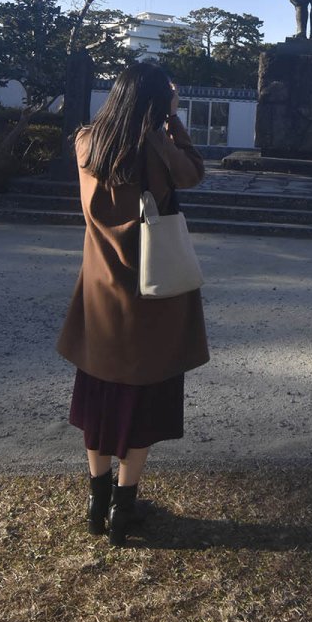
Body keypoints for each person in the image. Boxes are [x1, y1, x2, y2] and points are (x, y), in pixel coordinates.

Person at [56, 61, 209, 545]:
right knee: (142, 399)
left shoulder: (87, 142)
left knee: (99, 394)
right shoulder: (156, 147)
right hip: (151, 295)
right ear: (156, 100)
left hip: (101, 293)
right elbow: (194, 174)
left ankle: (95, 501)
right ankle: (125, 506)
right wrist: (173, 120)